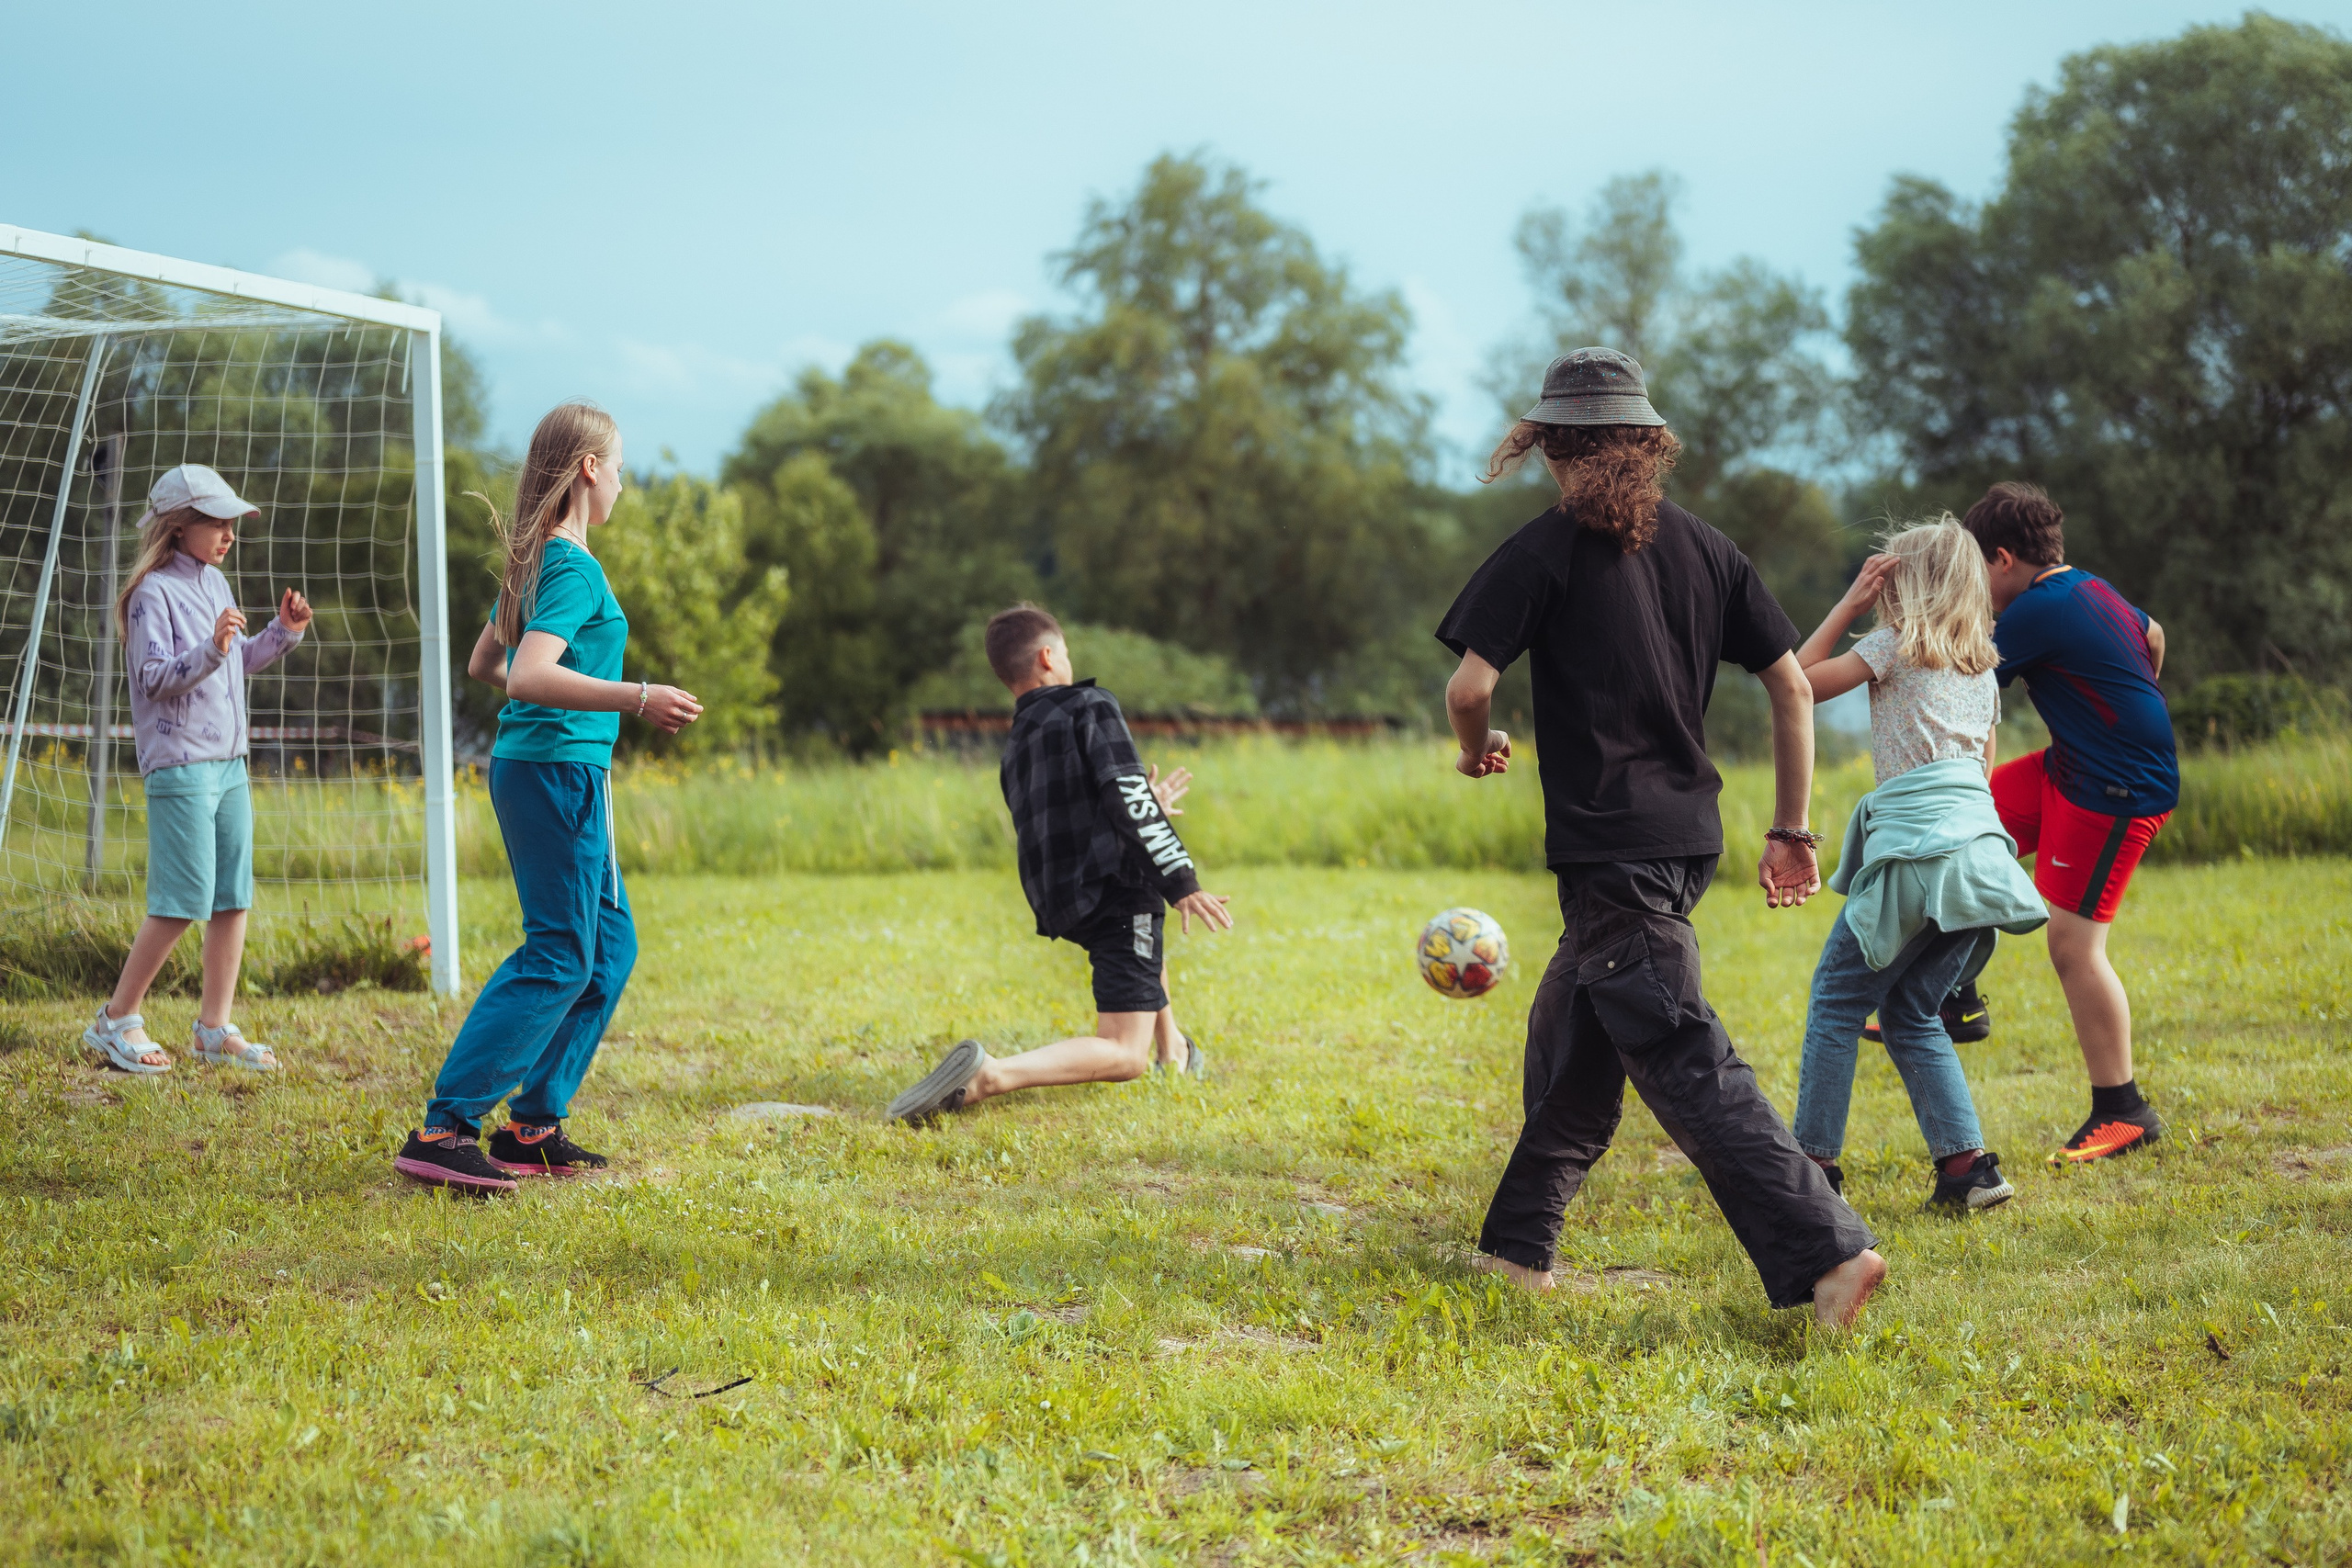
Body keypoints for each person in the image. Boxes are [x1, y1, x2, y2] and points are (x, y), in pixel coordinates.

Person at [1440, 348, 1885, 1330]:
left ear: (1548, 447)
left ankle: (1831, 1252)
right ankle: (1515, 1252)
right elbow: (1788, 686)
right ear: (1648, 444)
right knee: (1576, 1040)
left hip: (1612, 845)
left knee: (1681, 1052)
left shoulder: (1543, 549)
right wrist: (1791, 827)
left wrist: (1477, 750)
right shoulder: (1707, 548)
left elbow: (1470, 689)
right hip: (1682, 841)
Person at [393, 402, 702, 1193]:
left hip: (555, 770)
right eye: (620, 467)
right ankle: (444, 1128)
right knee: (562, 952)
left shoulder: (536, 563)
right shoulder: (570, 567)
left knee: (610, 946)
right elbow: (525, 674)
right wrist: (637, 697)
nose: (624, 482)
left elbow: (486, 664)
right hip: (555, 775)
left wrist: (561, 714)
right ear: (591, 469)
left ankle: (531, 1127)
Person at [886, 605, 1232, 1123]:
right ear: (1048, 657)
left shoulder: (1017, 743)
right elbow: (1126, 796)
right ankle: (992, 1075)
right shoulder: (1091, 704)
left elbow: (1081, 811)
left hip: (1065, 900)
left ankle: (1175, 1051)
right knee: (1124, 1052)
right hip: (1117, 892)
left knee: (1141, 952)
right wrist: (1181, 881)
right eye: (1066, 652)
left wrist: (1144, 802)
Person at [1790, 518, 2047, 1213]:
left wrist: (1847, 604)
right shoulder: (1983, 669)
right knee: (1911, 1011)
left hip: (1917, 859)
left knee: (1837, 1000)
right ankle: (1968, 1170)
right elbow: (1983, 773)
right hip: (1980, 863)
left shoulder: (1893, 645)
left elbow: (1797, 684)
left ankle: (1811, 1172)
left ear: (1901, 586)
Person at [1961, 482, 2176, 1165]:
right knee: (1964, 822)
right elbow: (2153, 634)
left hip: (2116, 787)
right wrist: (2127, 698)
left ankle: (2123, 1111)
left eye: (1975, 569)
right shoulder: (2089, 588)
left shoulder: (2034, 609)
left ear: (2002, 559)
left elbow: (1961, 677)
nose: (1975, 586)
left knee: (2073, 945)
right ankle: (1955, 994)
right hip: (2074, 765)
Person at [82, 464, 311, 1075]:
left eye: (233, 523)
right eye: (217, 522)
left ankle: (214, 1029)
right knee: (182, 900)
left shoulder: (216, 583)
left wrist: (282, 633)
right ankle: (115, 1020)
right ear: (179, 526)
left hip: (229, 765)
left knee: (232, 897)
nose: (230, 534)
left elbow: (235, 660)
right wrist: (211, 647)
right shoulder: (151, 594)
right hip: (180, 765)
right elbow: (154, 678)